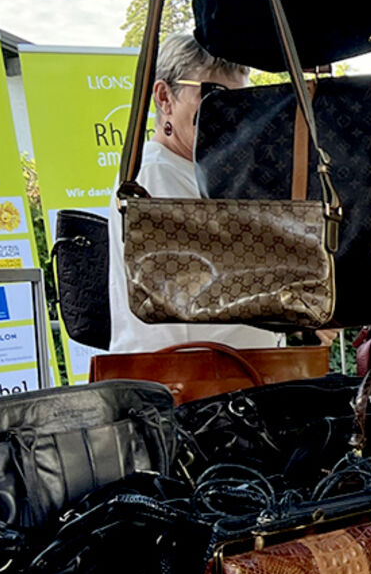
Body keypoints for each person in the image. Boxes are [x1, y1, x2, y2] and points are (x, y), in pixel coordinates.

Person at [107, 34, 282, 353]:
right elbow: (209, 283)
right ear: (164, 97)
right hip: (187, 384)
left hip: (228, 376)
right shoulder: (154, 174)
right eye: (213, 96)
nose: (229, 114)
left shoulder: (207, 173)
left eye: (240, 102)